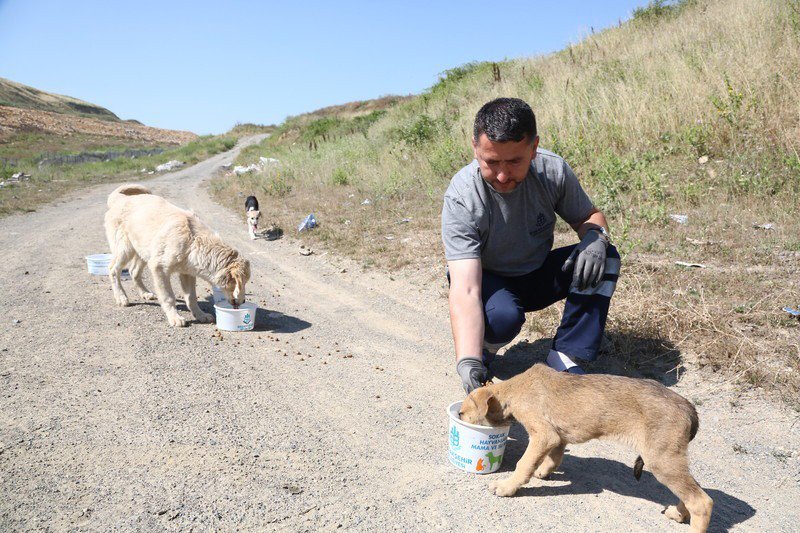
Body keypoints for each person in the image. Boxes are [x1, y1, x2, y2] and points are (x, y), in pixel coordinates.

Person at [441, 97, 621, 393]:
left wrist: (594, 236)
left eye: (514, 161)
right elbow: (466, 288)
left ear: (533, 148)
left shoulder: (552, 170)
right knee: (503, 317)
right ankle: (484, 346)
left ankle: (565, 359)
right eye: (491, 162)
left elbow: (589, 216)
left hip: (535, 274)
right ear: (475, 148)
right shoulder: (462, 197)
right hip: (488, 281)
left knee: (606, 257)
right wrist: (468, 360)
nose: (502, 175)